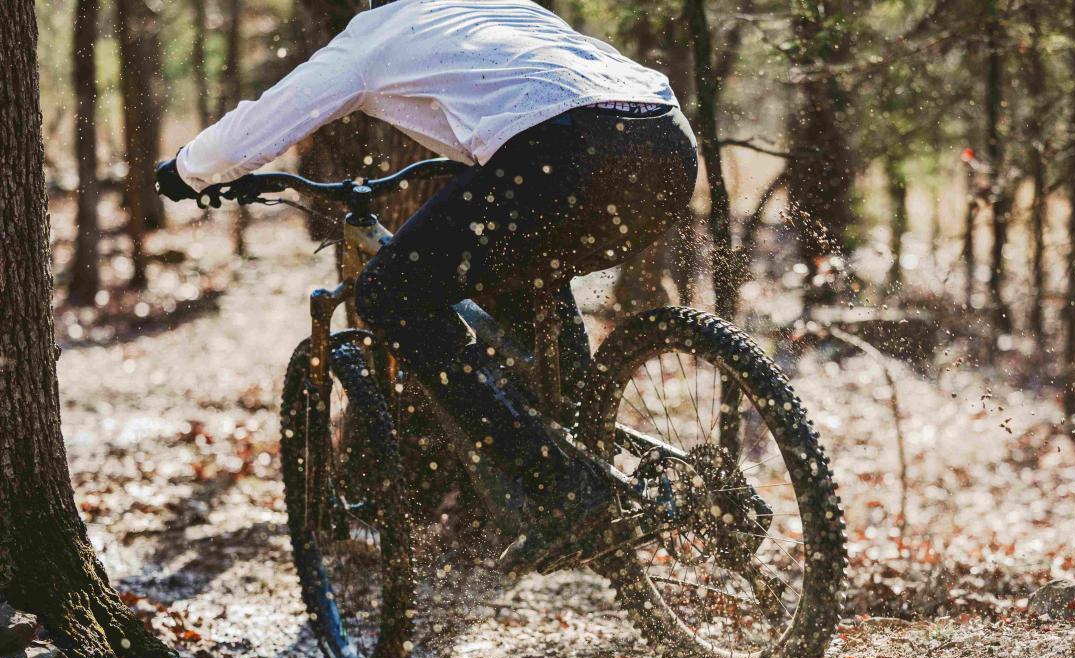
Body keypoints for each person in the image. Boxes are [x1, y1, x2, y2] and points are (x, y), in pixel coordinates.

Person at [155, 0, 698, 574]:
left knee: (390, 296)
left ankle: (563, 485)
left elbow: (260, 125)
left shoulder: (375, 36)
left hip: (561, 149)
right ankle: (594, 441)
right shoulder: (503, 9)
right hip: (664, 141)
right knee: (523, 268)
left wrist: (187, 170)